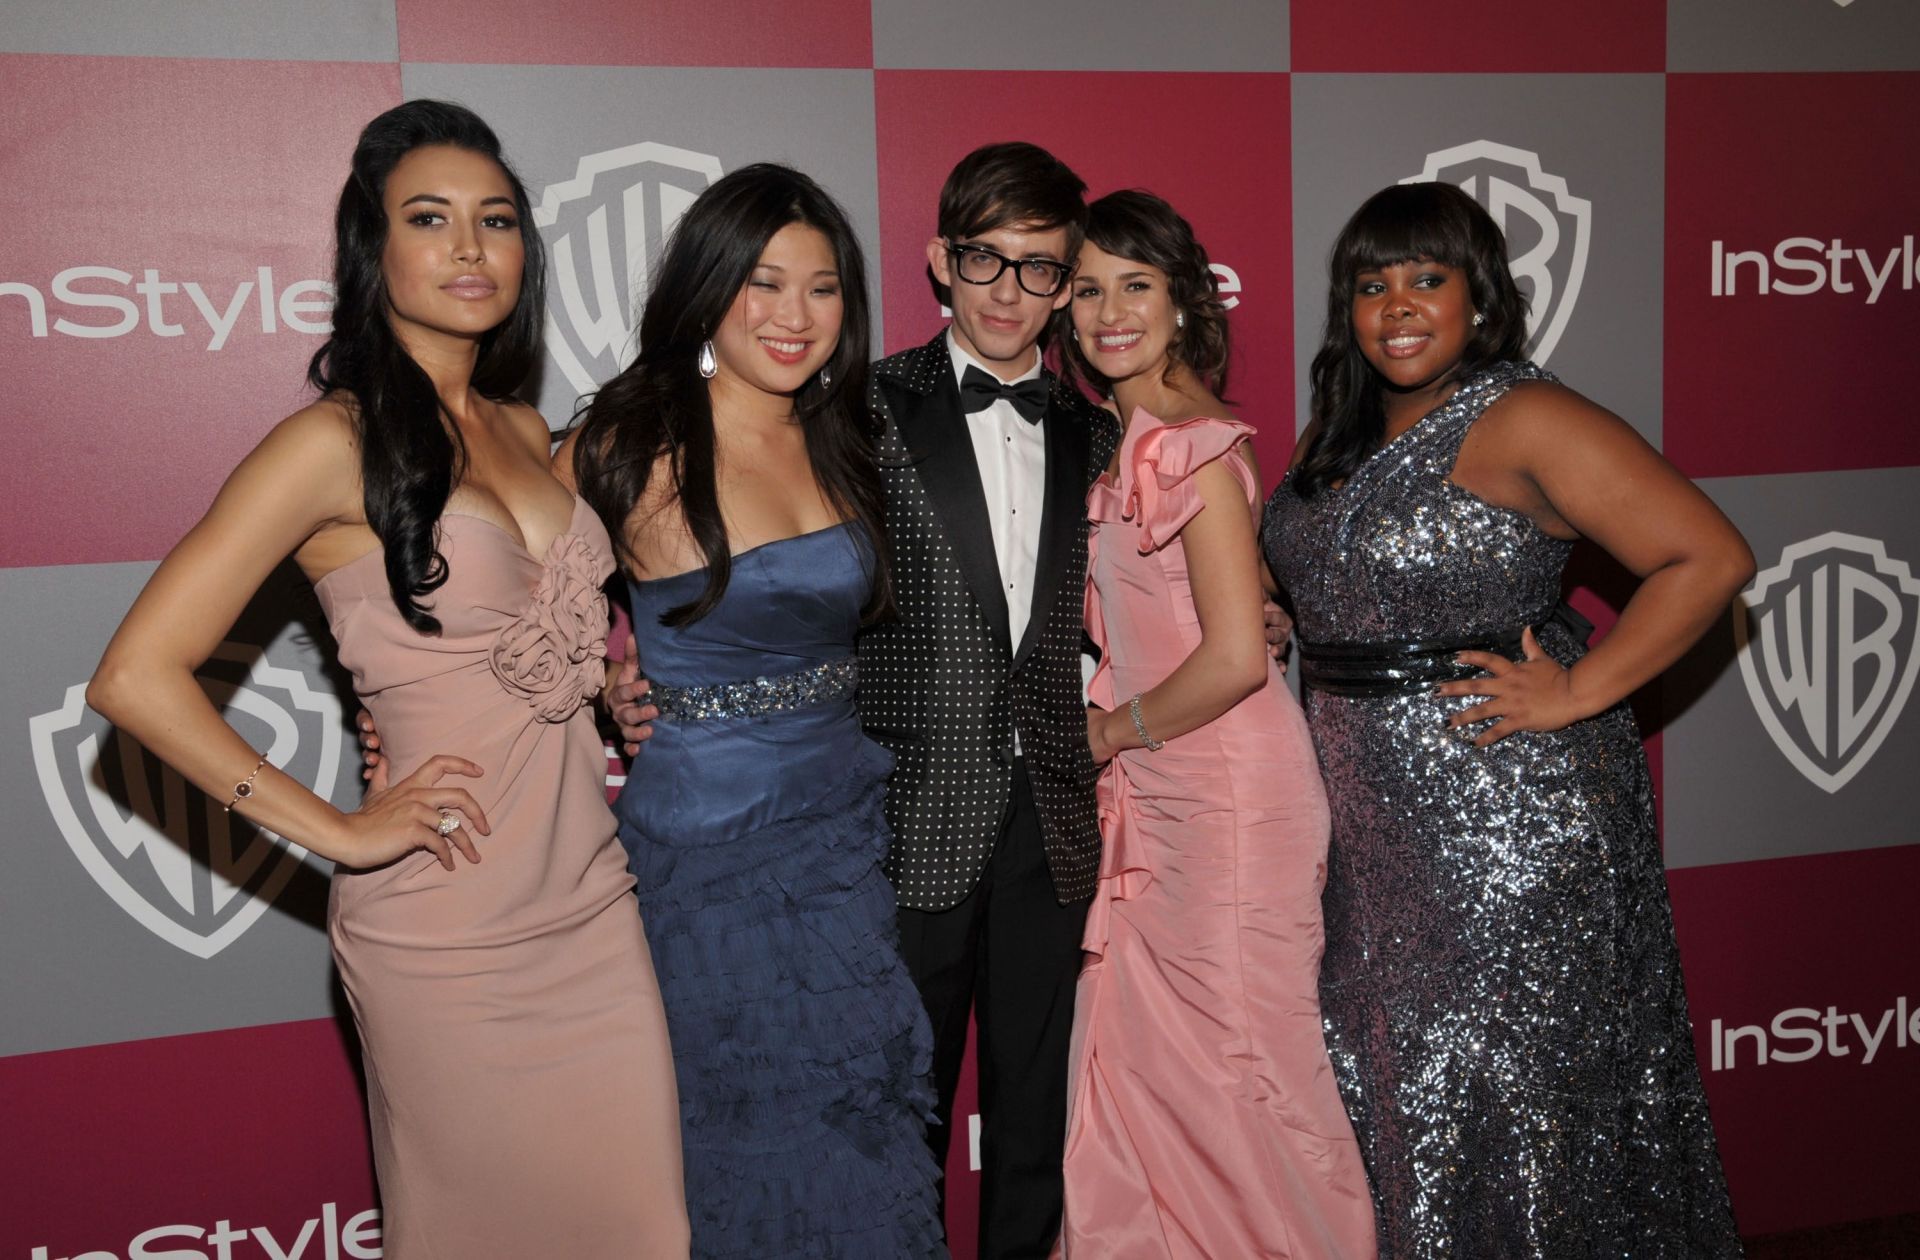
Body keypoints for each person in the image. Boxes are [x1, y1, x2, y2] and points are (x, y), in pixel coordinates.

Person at [86, 100, 687, 1257]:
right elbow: (134, 676)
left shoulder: (529, 431)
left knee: (642, 1231)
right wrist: (338, 831)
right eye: (432, 218)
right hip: (446, 928)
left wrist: (606, 686)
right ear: (377, 251)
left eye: (497, 220)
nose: (470, 248)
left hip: (595, 914)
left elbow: (538, 635)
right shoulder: (328, 444)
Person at [1260, 181, 1749, 1257]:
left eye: (1426, 279)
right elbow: (1328, 576)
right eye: (1371, 283)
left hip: (1505, 818)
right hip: (1360, 822)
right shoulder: (1337, 427)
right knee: (1392, 1077)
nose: (1397, 306)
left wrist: (1576, 691)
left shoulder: (1524, 414)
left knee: (1513, 1088)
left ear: (1479, 298)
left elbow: (1709, 558)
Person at [562, 163, 945, 1258]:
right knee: (740, 1128)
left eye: (821, 288)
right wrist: (591, 678)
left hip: (839, 837)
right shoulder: (627, 438)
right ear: (710, 287)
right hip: (707, 858)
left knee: (859, 1111)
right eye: (764, 284)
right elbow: (491, 571)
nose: (793, 316)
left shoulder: (844, 435)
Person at [1050, 189, 1377, 1258]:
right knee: (1147, 1068)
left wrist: (1110, 732)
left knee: (1247, 1070)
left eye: (1134, 286)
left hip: (1230, 802)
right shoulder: (1118, 435)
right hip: (1158, 793)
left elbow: (1238, 658)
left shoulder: (1191, 444)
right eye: (1088, 287)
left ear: (1184, 303)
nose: (1108, 311)